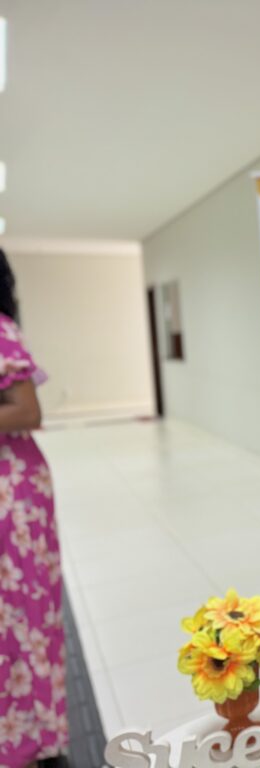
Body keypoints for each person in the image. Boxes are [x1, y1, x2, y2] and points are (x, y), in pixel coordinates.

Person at [0, 249, 67, 767]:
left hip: (13, 498)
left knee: (22, 614)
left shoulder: (0, 330)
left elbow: (28, 410)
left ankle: (33, 735)